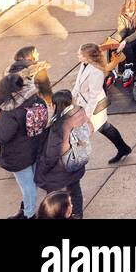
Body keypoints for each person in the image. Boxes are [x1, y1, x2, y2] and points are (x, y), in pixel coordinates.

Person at [0, 73, 50, 217]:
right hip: (35, 147)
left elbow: (3, 137)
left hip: (18, 155)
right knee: (32, 182)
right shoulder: (35, 99)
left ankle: (29, 214)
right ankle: (25, 209)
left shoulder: (9, 111)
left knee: (27, 185)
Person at [73, 44, 133, 164]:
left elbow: (93, 96)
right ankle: (123, 148)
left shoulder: (96, 72)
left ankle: (75, 159)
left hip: (94, 105)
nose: (77, 55)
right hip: (85, 103)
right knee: (103, 127)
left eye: (80, 54)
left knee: (97, 128)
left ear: (87, 57)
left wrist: (87, 115)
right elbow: (78, 85)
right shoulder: (84, 64)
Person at [33, 90, 88, 218]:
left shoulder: (58, 125)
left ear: (54, 105)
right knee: (75, 189)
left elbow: (52, 153)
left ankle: (62, 214)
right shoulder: (78, 116)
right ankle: (77, 214)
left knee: (55, 197)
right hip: (75, 162)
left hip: (60, 167)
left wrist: (44, 168)